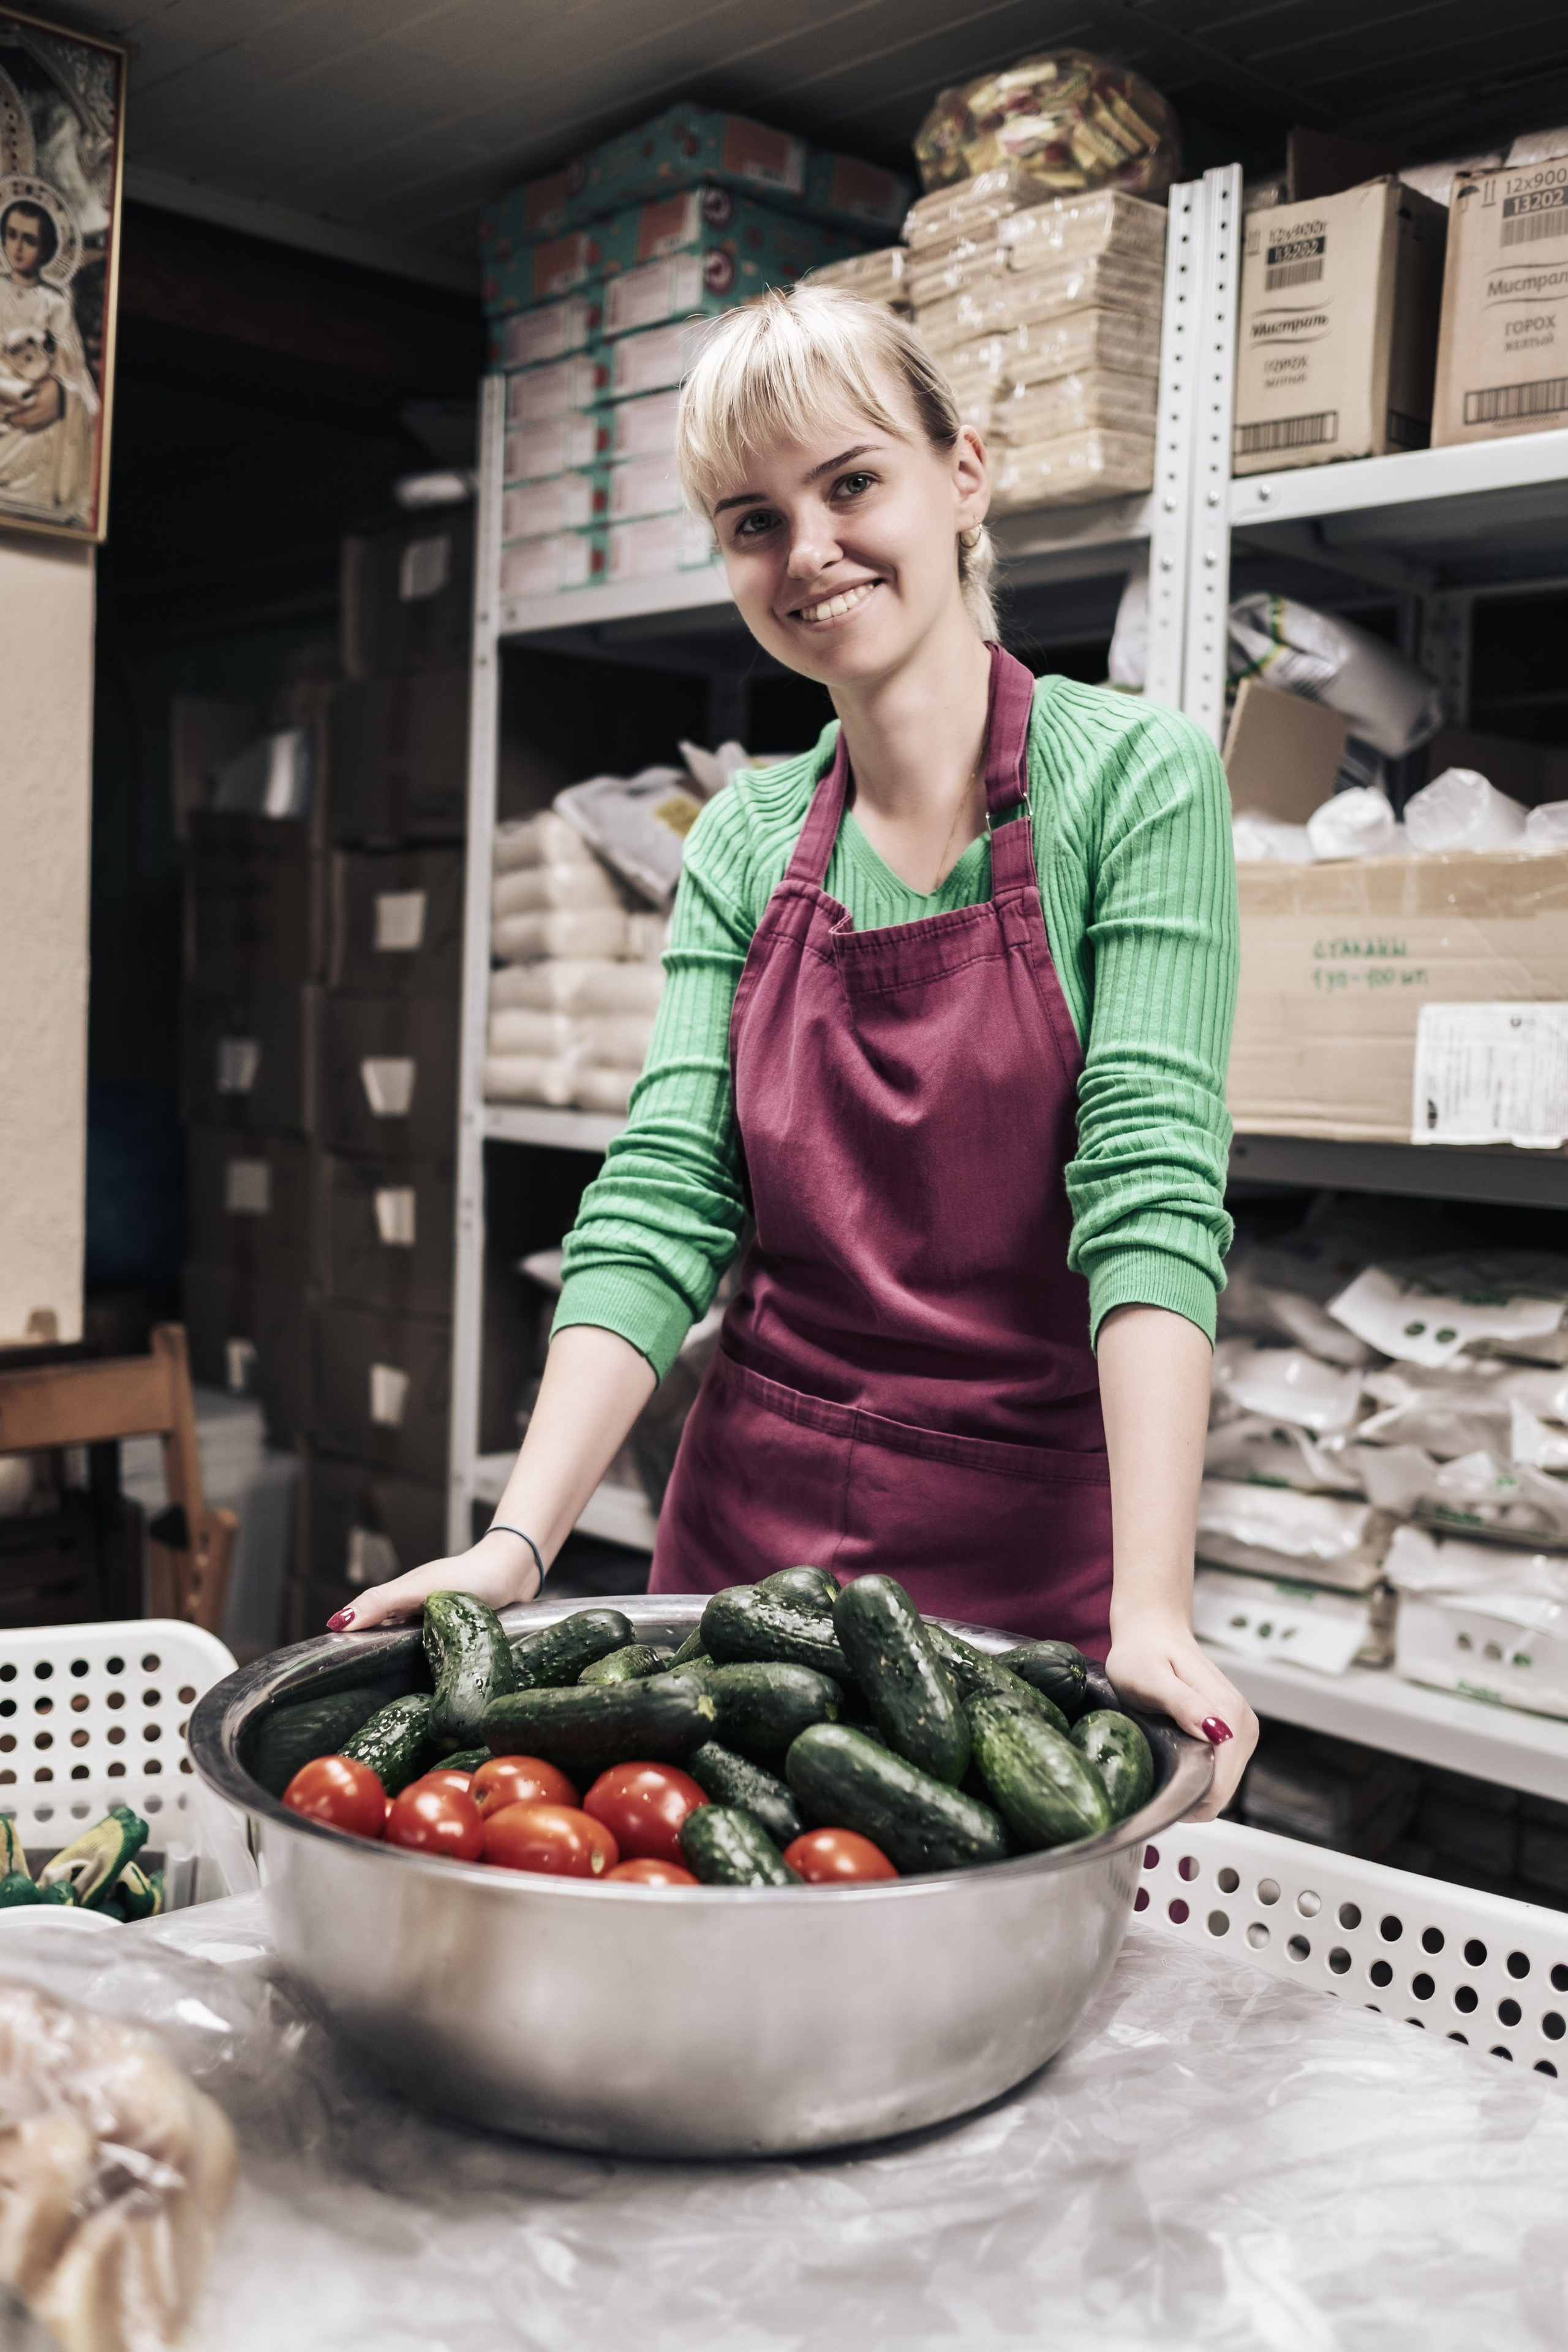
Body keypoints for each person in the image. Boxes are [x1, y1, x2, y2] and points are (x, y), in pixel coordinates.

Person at [345, 283, 1256, 1817]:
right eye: (750, 519)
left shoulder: (1133, 783)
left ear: (960, 474)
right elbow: (660, 1198)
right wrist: (519, 1538)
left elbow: (1150, 1188)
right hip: (744, 1552)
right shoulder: (745, 840)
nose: (807, 552)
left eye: (850, 483)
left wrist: (1150, 1613)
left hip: (1029, 1560)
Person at [0, 194, 96, 524]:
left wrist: (61, 393)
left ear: (45, 249)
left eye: (29, 239)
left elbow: (74, 372)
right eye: (11, 235)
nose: (18, 248)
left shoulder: (54, 303)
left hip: (33, 400)